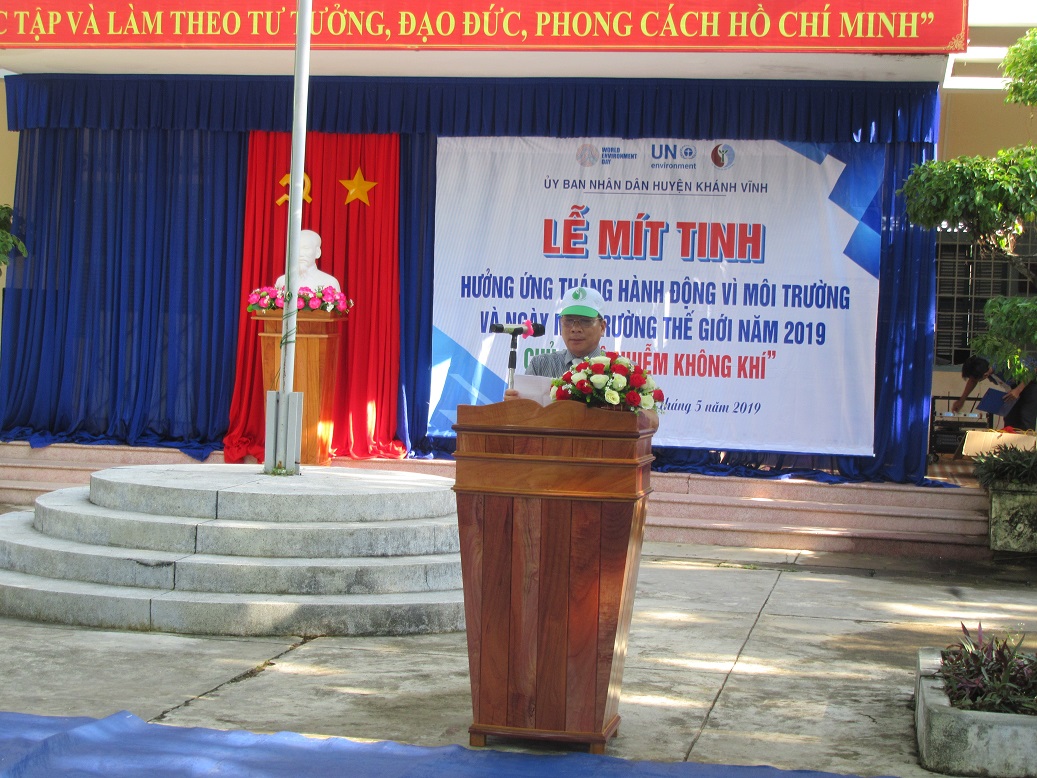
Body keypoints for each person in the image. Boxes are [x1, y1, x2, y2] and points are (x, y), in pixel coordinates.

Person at [952, 355, 1037, 430]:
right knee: (1010, 419)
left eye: (976, 379)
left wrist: (1018, 390)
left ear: (985, 375)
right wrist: (962, 400)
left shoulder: (1006, 362)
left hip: (1031, 382)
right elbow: (973, 380)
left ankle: (1027, 442)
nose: (973, 381)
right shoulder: (980, 363)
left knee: (1025, 418)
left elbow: (1033, 370)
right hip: (1012, 386)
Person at [274, 230, 341, 292]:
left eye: (306, 248)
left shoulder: (329, 282)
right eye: (297, 248)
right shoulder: (283, 281)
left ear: (317, 252)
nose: (300, 254)